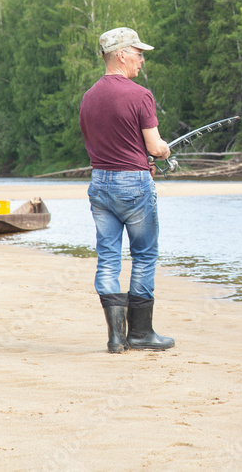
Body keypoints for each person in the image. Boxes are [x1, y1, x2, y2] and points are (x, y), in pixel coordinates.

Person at [79, 27, 175, 353]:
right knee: (144, 256)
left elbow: (103, 143)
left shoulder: (89, 97)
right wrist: (161, 151)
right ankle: (141, 333)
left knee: (108, 260)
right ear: (121, 55)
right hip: (133, 184)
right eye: (138, 53)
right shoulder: (140, 95)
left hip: (99, 183)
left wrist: (136, 157)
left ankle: (116, 337)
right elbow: (154, 145)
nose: (141, 59)